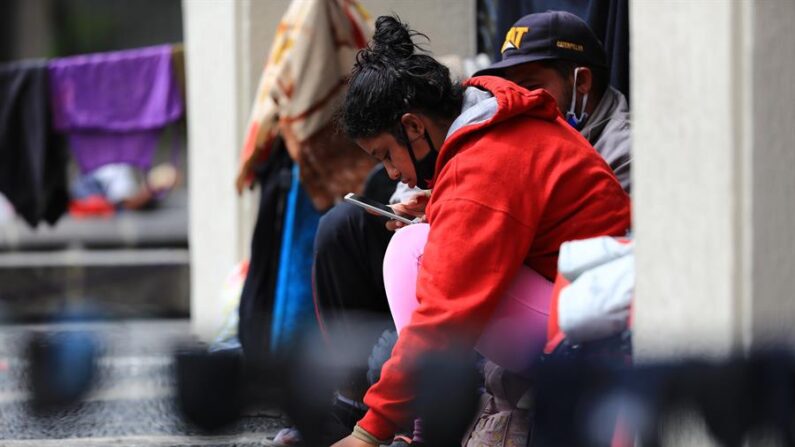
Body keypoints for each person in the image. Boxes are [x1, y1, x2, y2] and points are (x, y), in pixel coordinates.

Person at [311, 10, 632, 428]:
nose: (390, 173)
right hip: (587, 314)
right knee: (407, 242)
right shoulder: (485, 128)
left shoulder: (484, 157)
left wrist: (372, 432)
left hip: (592, 344)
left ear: (412, 125)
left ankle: (425, 425)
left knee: (414, 250)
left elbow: (444, 315)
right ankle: (426, 418)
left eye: (386, 155)